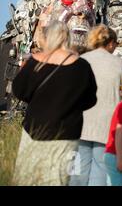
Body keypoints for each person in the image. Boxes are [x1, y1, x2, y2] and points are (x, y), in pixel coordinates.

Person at [12, 21, 97, 185]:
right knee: (57, 180)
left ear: (48, 38)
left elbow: (18, 91)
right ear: (68, 38)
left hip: (34, 131)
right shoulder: (82, 66)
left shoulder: (35, 61)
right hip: (66, 134)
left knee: (27, 179)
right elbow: (90, 99)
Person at [69, 24, 122, 186]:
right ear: (110, 43)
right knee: (100, 172)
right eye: (115, 43)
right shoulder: (119, 64)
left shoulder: (81, 60)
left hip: (79, 125)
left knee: (77, 173)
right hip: (106, 126)